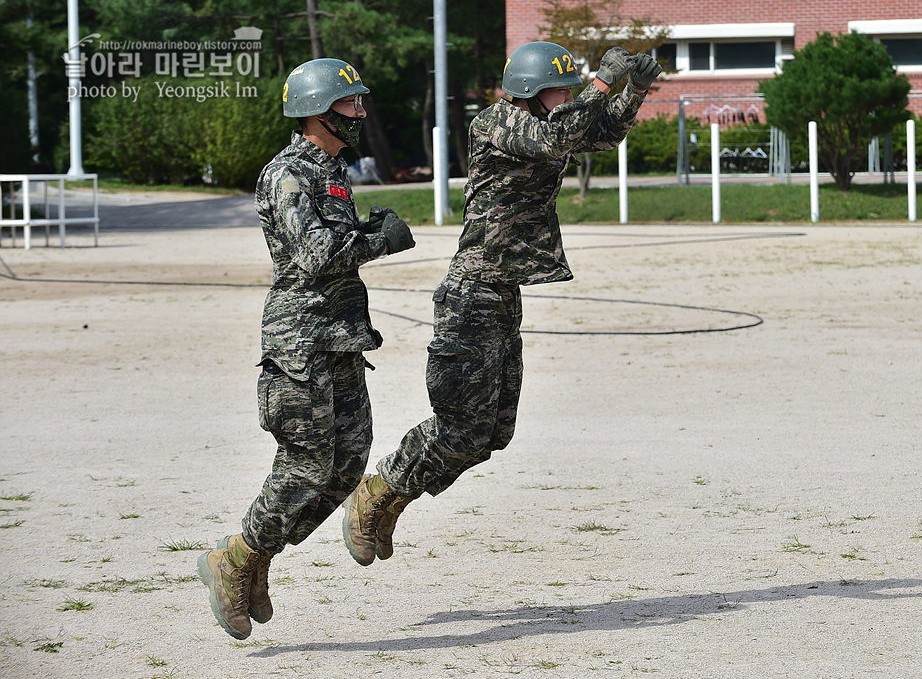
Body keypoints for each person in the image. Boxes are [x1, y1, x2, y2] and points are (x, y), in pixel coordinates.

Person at [341, 42, 662, 566]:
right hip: (472, 293)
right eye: (564, 88)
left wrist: (637, 90)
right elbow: (560, 133)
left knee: (494, 433)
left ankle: (389, 494)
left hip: (501, 293)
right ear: (533, 92)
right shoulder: (498, 123)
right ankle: (380, 492)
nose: (572, 95)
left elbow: (600, 132)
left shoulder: (544, 123)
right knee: (461, 428)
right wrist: (604, 84)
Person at [197, 57, 416, 639]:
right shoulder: (289, 173)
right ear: (319, 111)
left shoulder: (331, 169)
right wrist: (377, 240)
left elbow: (330, 243)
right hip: (301, 342)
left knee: (348, 464)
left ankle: (256, 558)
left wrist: (364, 231)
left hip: (339, 337)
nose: (361, 112)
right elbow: (316, 255)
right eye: (350, 104)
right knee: (308, 463)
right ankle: (237, 559)